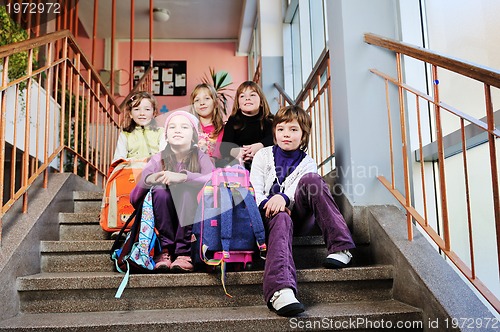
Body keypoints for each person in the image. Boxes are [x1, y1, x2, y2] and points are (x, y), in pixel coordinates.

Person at [250, 105, 356, 317]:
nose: (286, 134)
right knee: (280, 217)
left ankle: (341, 247)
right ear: (274, 133)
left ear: (303, 134)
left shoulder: (308, 162)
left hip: (297, 217)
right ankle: (280, 291)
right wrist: (268, 205)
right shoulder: (262, 155)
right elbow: (255, 188)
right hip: (267, 218)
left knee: (313, 181)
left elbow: (294, 188)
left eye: (293, 129)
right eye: (280, 129)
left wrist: (284, 198)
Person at [129, 111, 214, 273]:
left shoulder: (201, 157)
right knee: (160, 191)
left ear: (194, 136)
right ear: (166, 135)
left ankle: (184, 252)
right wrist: (148, 180)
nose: (177, 130)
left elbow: (212, 180)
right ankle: (164, 251)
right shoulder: (157, 159)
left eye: (184, 127)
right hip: (163, 221)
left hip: (192, 223)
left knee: (187, 191)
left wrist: (183, 177)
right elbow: (134, 200)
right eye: (172, 127)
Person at [220, 81, 274, 169]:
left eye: (252, 95)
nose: (247, 98)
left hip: (263, 161)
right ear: (238, 104)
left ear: (261, 101)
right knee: (222, 163)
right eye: (242, 96)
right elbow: (224, 147)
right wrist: (237, 152)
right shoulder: (233, 120)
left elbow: (273, 139)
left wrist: (260, 146)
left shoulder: (269, 120)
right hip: (239, 162)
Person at [112, 91, 166, 164]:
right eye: (137, 109)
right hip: (131, 171)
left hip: (154, 171)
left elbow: (164, 157)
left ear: (154, 113)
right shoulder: (125, 134)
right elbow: (118, 159)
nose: (142, 113)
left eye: (147, 109)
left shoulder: (161, 132)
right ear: (130, 114)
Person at [190, 83, 225, 163]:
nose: (202, 103)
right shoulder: (190, 128)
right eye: (197, 100)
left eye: (206, 98)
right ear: (193, 106)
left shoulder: (220, 129)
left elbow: (217, 156)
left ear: (215, 103)